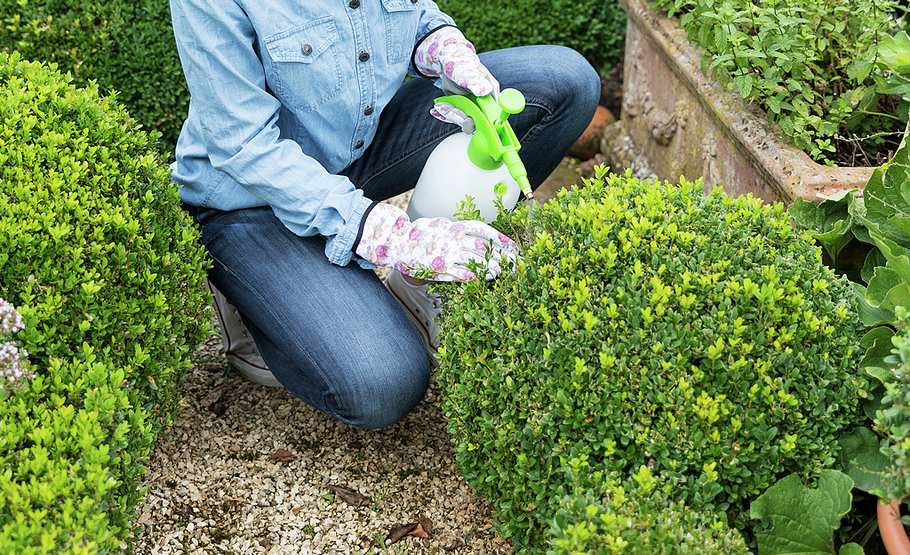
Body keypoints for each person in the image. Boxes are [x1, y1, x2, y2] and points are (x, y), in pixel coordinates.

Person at [169, 0, 600, 429]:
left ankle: (415, 289)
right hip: (248, 198)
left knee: (563, 81)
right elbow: (243, 144)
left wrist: (439, 44)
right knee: (382, 382)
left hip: (353, 147)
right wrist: (388, 235)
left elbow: (413, 13)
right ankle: (251, 301)